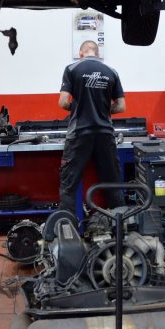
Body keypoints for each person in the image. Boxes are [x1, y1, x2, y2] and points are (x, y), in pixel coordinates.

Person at [57, 40, 126, 214]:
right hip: (105, 134)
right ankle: (120, 232)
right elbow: (121, 106)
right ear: (97, 53)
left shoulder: (72, 69)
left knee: (69, 187)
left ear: (81, 53)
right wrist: (102, 108)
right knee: (114, 185)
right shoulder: (112, 72)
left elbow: (63, 102)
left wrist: (78, 109)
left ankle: (69, 230)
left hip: (79, 134)